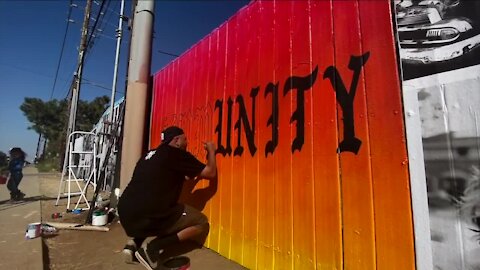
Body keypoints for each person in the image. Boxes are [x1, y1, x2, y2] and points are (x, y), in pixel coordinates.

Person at [117, 126, 217, 270]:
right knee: (201, 222)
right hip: (148, 214)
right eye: (185, 139)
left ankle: (133, 245)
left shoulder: (149, 154)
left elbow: (161, 178)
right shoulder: (177, 154)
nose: (187, 143)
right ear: (176, 141)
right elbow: (210, 173)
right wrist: (212, 152)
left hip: (126, 213)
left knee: (149, 208)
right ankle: (151, 250)